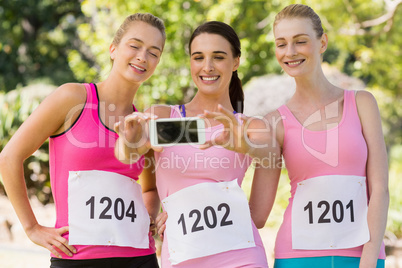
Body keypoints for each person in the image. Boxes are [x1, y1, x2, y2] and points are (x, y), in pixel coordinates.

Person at [0, 13, 166, 268]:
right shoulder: (73, 98)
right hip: (78, 257)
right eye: (134, 46)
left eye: (154, 52)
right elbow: (9, 157)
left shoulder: (144, 123)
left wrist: (150, 215)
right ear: (113, 49)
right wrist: (32, 227)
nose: (143, 57)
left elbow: (149, 189)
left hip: (139, 257)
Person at [115, 21, 279, 268]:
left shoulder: (248, 127)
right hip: (182, 258)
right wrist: (127, 140)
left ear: (236, 62)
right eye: (198, 57)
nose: (207, 67)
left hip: (242, 258)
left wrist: (246, 146)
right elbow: (127, 155)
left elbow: (258, 216)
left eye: (219, 57)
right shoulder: (165, 117)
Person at [250, 4, 388, 268]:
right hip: (297, 258)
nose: (290, 52)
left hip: (362, 256)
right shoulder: (274, 122)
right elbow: (256, 215)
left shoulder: (362, 104)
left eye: (300, 41)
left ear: (322, 42)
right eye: (281, 44)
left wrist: (370, 256)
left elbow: (380, 188)